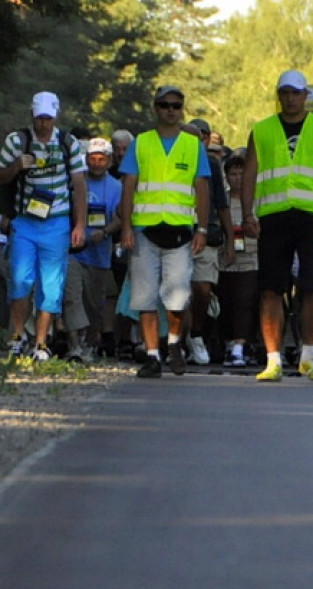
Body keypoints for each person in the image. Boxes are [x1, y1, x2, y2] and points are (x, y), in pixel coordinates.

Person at [240, 69, 313, 382]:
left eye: (296, 93)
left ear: (306, 95)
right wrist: (247, 214)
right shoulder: (262, 130)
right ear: (279, 96)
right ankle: (273, 359)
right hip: (274, 214)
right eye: (285, 93)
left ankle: (309, 355)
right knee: (271, 288)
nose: (290, 99)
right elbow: (249, 173)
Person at [119, 84, 211, 378]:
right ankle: (152, 356)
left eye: (175, 105)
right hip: (146, 230)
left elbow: (202, 188)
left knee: (178, 296)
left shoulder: (192, 145)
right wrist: (126, 228)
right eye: (164, 105)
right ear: (155, 108)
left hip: (181, 232)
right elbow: (129, 186)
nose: (170, 110)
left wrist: (203, 229)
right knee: (144, 297)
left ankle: (173, 343)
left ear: (182, 109)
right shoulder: (141, 143)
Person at [0, 91, 87, 361]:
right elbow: (1, 175)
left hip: (57, 221)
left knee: (51, 285)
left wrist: (80, 225)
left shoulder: (68, 143)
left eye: (48, 118)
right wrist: (16, 166)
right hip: (25, 221)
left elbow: (79, 184)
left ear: (56, 116)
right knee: (20, 279)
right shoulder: (18, 141)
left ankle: (41, 343)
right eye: (39, 119)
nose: (43, 124)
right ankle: (17, 335)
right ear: (31, 116)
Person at [63, 137, 122, 362]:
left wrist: (106, 232)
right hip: (74, 250)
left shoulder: (116, 186)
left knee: (94, 303)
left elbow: (120, 217)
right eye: (93, 158)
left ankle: (89, 343)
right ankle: (74, 345)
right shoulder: (75, 182)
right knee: (71, 296)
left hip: (99, 253)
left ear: (108, 161)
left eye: (101, 159)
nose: (97, 163)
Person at [182, 119, 233, 365]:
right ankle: (177, 340)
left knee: (203, 289)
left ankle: (196, 334)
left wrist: (230, 240)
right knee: (178, 292)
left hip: (207, 234)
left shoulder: (212, 164)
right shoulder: (171, 163)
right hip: (177, 234)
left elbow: (222, 205)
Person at [219, 153, 259, 367]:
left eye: (241, 174)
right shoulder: (222, 201)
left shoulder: (256, 199)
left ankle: (240, 346)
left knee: (245, 301)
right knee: (227, 303)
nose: (237, 178)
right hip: (226, 258)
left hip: (251, 258)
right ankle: (227, 342)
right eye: (232, 174)